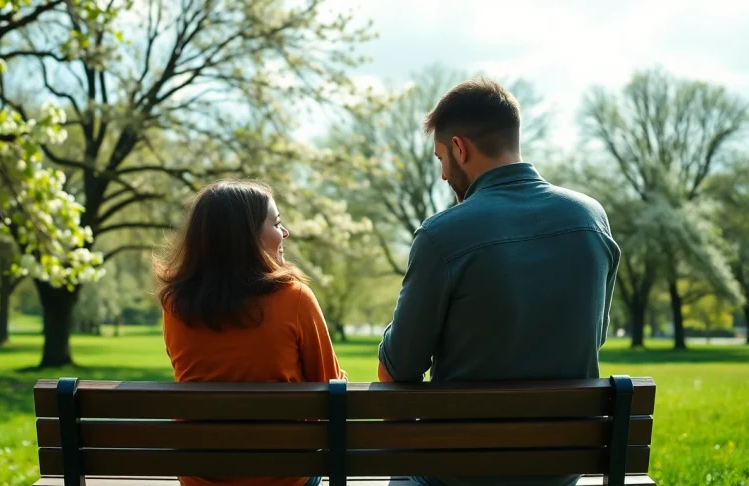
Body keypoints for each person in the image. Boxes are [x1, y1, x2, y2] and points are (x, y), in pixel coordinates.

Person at [377, 78, 621, 486]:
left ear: (459, 148)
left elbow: (397, 371)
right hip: (560, 470)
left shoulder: (441, 235)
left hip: (459, 474)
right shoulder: (591, 219)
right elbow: (592, 338)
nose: (443, 175)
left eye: (441, 158)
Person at [156, 180, 345, 486]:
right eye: (277, 223)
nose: (285, 233)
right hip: (284, 478)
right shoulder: (295, 298)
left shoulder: (175, 306)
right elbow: (331, 386)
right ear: (247, 236)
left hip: (202, 477)